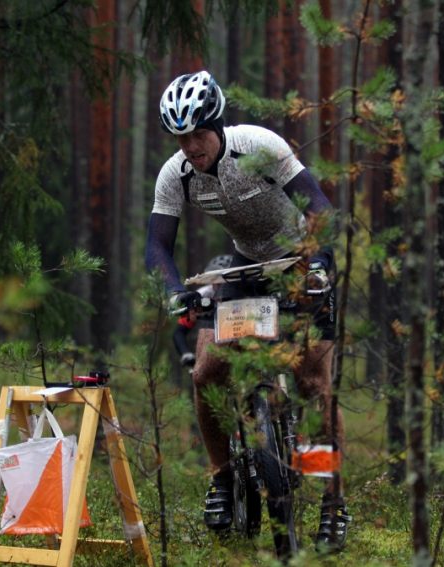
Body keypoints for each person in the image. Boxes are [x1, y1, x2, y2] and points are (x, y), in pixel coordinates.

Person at [145, 70, 348, 551]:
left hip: (302, 257)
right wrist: (176, 290)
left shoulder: (258, 145)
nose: (191, 146)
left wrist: (317, 261)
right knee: (207, 371)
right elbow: (156, 244)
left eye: (198, 133)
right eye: (181, 137)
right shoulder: (176, 175)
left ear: (217, 125)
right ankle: (221, 476)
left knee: (313, 384)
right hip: (247, 265)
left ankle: (331, 503)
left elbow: (318, 206)